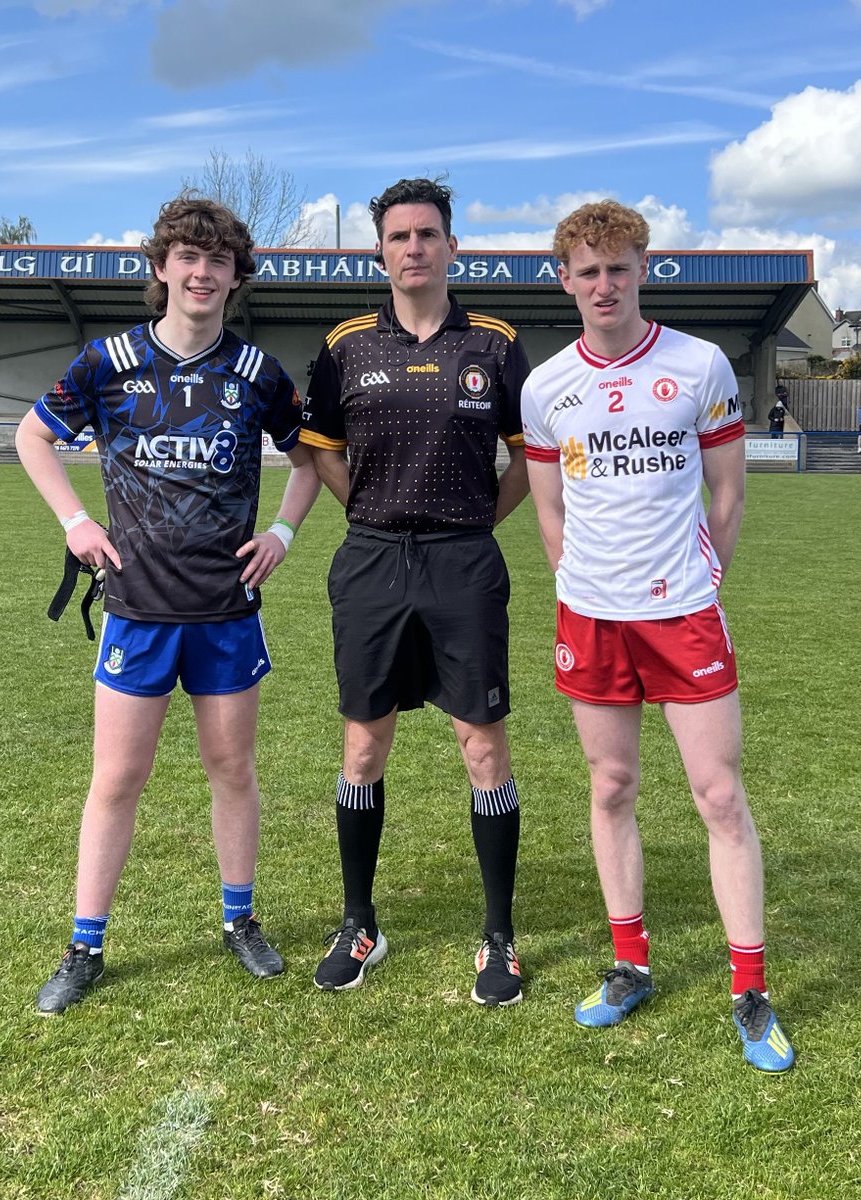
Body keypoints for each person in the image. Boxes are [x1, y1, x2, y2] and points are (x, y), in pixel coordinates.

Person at [15, 192, 321, 1015]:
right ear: (162, 268)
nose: (202, 271)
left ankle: (240, 921)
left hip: (226, 610)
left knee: (232, 770)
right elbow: (32, 435)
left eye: (217, 260)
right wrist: (76, 519)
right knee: (117, 778)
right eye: (188, 256)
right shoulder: (108, 361)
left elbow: (309, 460)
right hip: (137, 610)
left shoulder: (257, 374)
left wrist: (285, 535)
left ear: (234, 277)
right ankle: (84, 945)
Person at [521, 199, 795, 1072]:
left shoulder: (700, 363)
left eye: (618, 267)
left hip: (682, 615)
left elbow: (729, 495)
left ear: (644, 269)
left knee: (718, 796)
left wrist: (706, 578)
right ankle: (631, 964)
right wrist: (574, 581)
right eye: (587, 271)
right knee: (611, 787)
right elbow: (549, 508)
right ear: (565, 281)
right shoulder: (545, 386)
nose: (604, 284)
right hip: (592, 619)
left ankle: (749, 989)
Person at [299, 177, 531, 1007]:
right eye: (398, 238)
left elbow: (527, 460)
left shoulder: (497, 343)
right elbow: (321, 450)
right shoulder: (347, 343)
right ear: (381, 252)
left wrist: (473, 525)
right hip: (371, 562)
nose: (413, 249)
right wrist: (369, 514)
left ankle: (497, 934)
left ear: (451, 246)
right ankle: (359, 921)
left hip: (464, 562)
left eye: (427, 235)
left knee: (482, 746)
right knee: (364, 747)